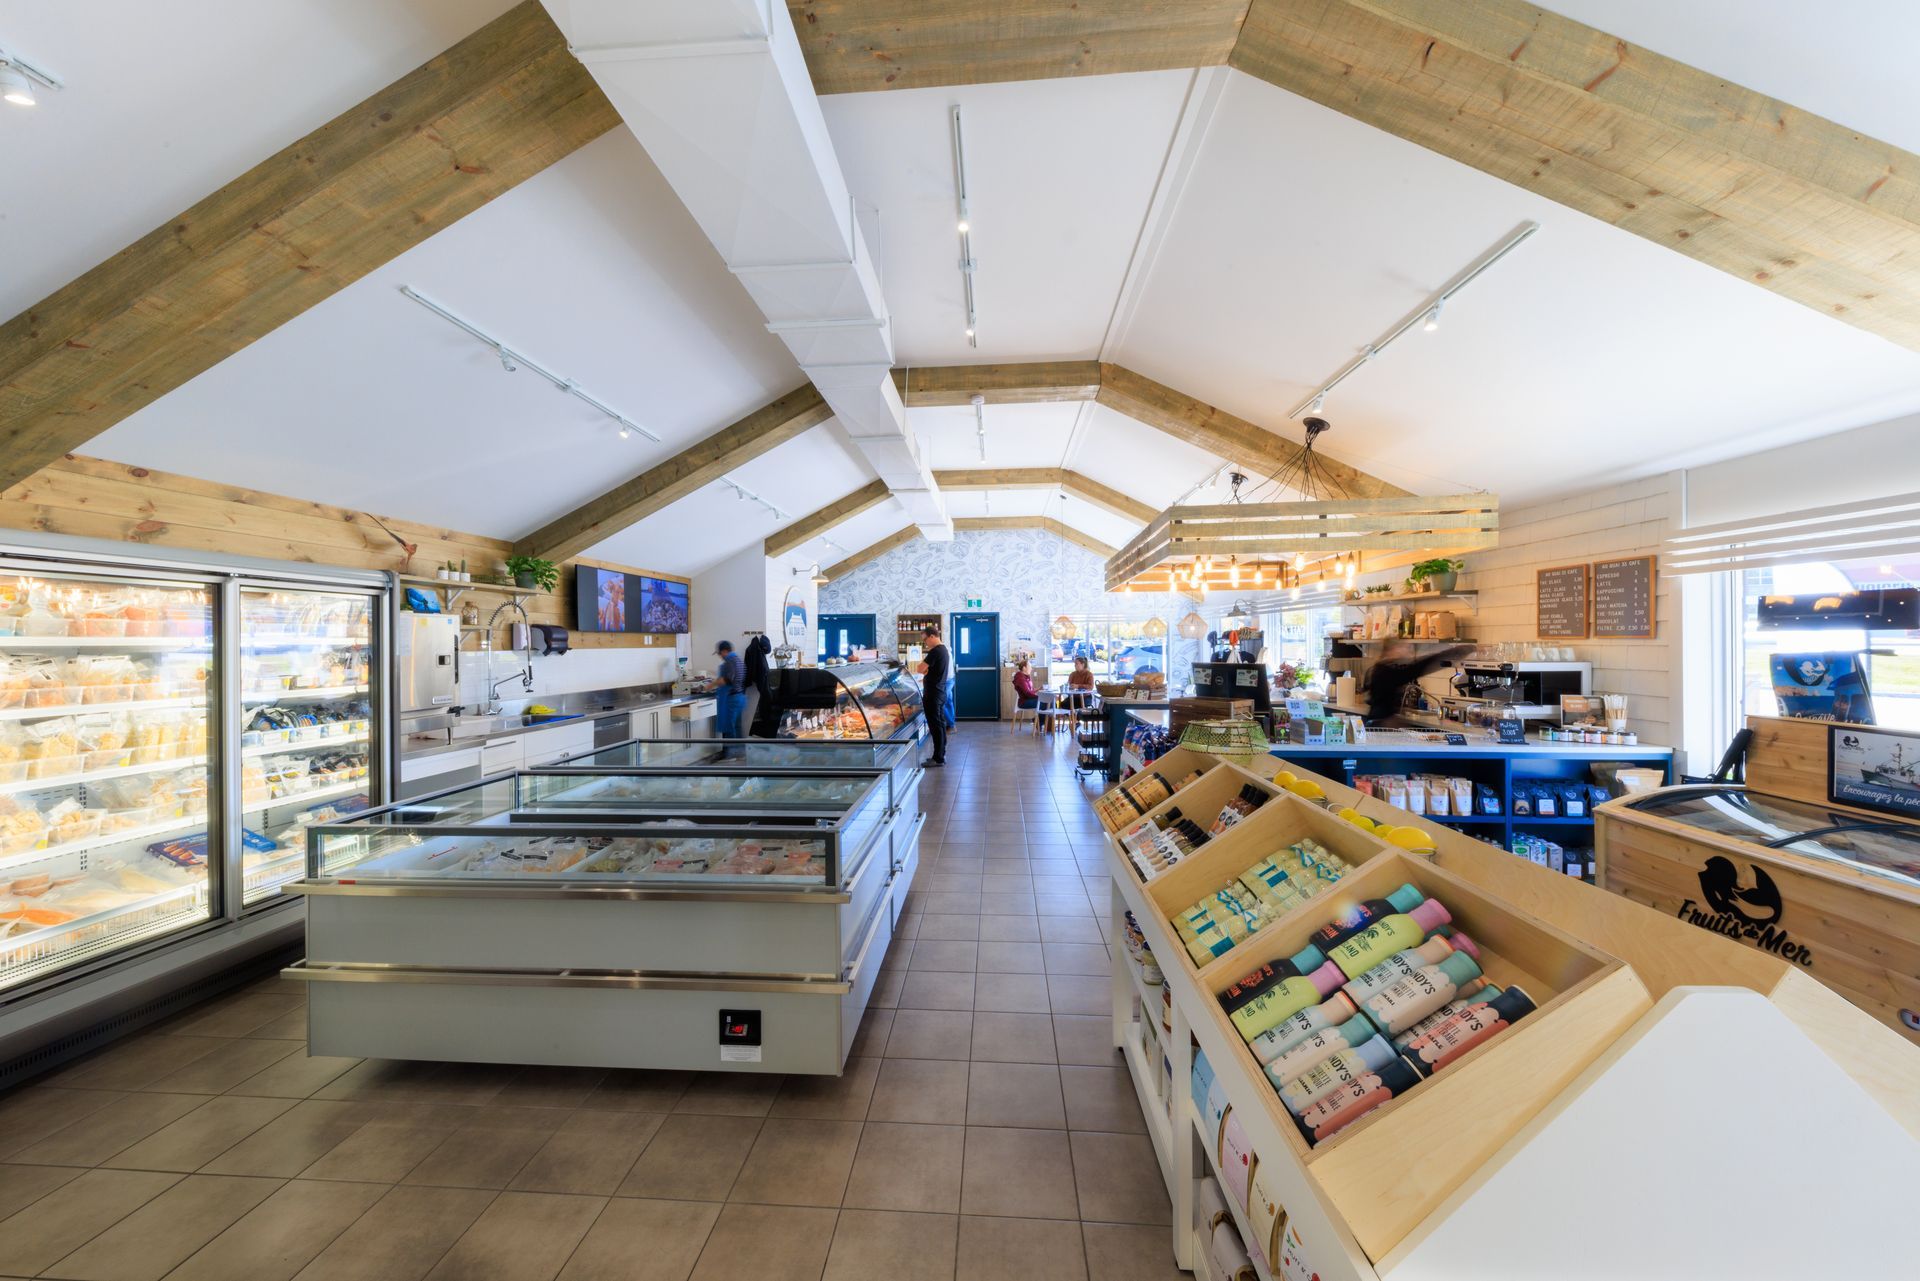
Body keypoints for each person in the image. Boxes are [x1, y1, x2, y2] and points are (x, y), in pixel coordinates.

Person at [1364, 640, 1473, 727]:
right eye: (1405, 647)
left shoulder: (1381, 667)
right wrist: (1464, 650)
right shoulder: (1388, 671)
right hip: (1381, 724)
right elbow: (1421, 665)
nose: (1409, 651)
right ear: (1393, 649)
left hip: (1377, 720)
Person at [918, 626, 951, 766]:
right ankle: (940, 754)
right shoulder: (943, 650)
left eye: (925, 639)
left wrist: (926, 671)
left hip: (933, 693)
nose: (925, 643)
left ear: (932, 636)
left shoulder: (935, 651)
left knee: (935, 726)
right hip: (940, 691)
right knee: (940, 724)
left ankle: (938, 758)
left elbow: (919, 669)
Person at [709, 639, 744, 746]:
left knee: (729, 727)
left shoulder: (730, 661)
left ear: (724, 651)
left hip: (731, 699)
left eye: (720, 654)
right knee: (737, 727)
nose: (720, 656)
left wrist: (709, 686)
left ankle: (731, 754)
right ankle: (739, 754)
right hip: (739, 697)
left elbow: (726, 680)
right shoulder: (737, 660)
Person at [740, 634, 774, 738]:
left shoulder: (756, 650)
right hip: (761, 688)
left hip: (761, 688)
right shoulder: (755, 651)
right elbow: (754, 671)